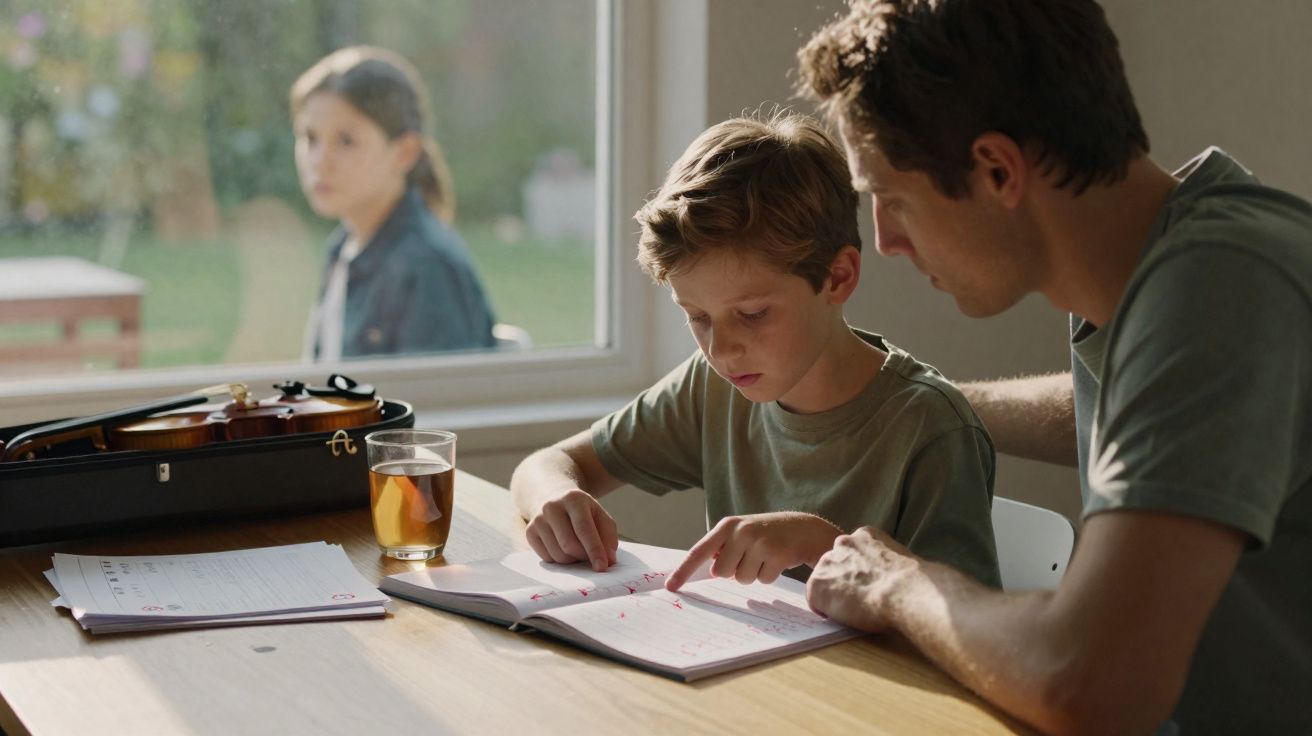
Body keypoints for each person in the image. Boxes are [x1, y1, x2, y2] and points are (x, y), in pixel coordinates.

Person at [797, 1, 1312, 733]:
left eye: (890, 198)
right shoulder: (1172, 263)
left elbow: (1085, 682)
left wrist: (899, 584)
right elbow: (1154, 415)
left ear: (997, 170)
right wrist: (927, 403)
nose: (884, 241)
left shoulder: (1221, 284)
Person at [509, 112, 1000, 592]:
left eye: (752, 314)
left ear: (838, 278)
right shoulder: (711, 390)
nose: (720, 350)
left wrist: (824, 545)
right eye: (697, 317)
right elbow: (544, 465)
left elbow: (973, 642)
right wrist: (558, 497)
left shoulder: (931, 428)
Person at [291, 46, 497, 360]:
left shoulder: (428, 266)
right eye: (310, 138)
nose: (319, 162)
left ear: (404, 153)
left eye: (346, 141)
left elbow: (438, 402)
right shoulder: (342, 249)